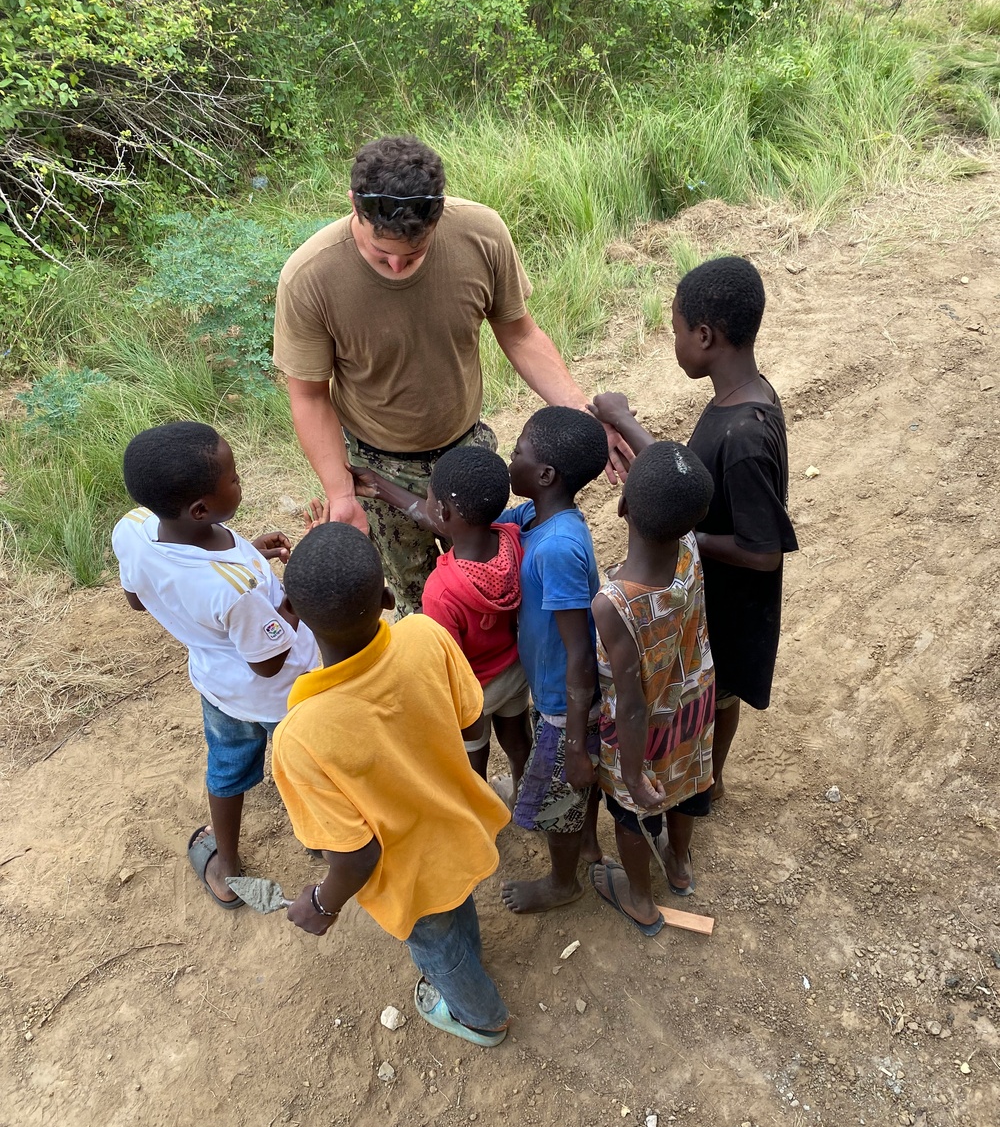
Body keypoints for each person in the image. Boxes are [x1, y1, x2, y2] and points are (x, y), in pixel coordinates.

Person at [272, 133, 628, 615]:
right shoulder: (310, 276)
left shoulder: (480, 233)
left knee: (490, 589)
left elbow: (519, 334)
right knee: (422, 607)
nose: (397, 267)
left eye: (414, 255)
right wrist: (340, 493)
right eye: (382, 255)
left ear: (438, 216)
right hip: (377, 469)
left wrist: (582, 416)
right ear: (355, 204)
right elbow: (310, 395)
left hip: (469, 452)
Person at [271, 522, 511, 1047]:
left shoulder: (300, 737)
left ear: (294, 617)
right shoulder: (425, 635)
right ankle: (469, 964)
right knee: (457, 903)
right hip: (460, 826)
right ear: (385, 596)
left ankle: (481, 1017)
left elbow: (356, 857)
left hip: (409, 876)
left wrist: (321, 903)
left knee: (438, 945)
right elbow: (473, 723)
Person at [591, 256, 797, 800]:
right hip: (712, 595)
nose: (675, 340)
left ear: (705, 336)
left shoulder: (745, 439)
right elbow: (689, 476)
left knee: (717, 692)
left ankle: (706, 783)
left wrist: (683, 533)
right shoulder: (743, 397)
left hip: (732, 605)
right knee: (712, 692)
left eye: (676, 329)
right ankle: (707, 778)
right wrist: (626, 419)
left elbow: (762, 551)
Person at [111, 422, 318, 908]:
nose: (240, 480)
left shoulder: (134, 528)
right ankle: (324, 837)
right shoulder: (235, 588)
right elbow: (268, 663)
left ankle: (225, 867)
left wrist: (250, 556)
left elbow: (139, 599)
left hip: (218, 688)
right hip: (281, 693)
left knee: (226, 770)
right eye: (235, 478)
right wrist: (295, 593)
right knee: (307, 763)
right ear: (201, 509)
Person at [352, 446, 532, 795]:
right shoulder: (511, 537)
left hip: (474, 691)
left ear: (445, 513)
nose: (427, 504)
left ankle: (482, 822)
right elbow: (440, 519)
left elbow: (447, 662)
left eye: (429, 497)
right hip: (514, 671)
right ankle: (526, 798)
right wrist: (378, 484)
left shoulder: (441, 590)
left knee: (472, 760)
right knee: (518, 740)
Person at [588, 442, 716, 931]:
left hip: (642, 733)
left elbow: (632, 702)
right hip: (694, 706)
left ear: (622, 508)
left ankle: (640, 900)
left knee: (629, 813)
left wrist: (634, 771)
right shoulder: (690, 547)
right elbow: (678, 487)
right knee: (685, 789)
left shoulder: (615, 603)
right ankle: (679, 867)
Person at [497, 406, 608, 914]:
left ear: (544, 475)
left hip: (567, 700)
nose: (509, 458)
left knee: (562, 796)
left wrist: (576, 740)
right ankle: (588, 842)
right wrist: (383, 489)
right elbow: (461, 521)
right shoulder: (533, 517)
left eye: (518, 450)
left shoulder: (557, 549)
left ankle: (564, 883)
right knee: (574, 788)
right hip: (554, 693)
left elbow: (581, 650)